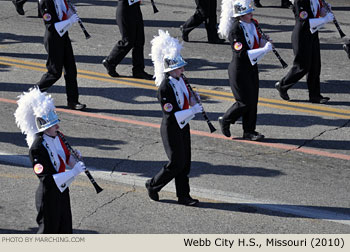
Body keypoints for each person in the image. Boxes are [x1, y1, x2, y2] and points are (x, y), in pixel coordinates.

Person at [14, 87, 86, 233]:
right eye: (54, 124)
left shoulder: (59, 137)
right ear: (44, 127)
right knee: (48, 234)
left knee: (65, 231)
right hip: (48, 197)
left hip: (63, 191)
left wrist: (75, 160)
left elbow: (65, 159)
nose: (58, 126)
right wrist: (73, 172)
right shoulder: (37, 148)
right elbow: (46, 179)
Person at [145, 30, 203, 206]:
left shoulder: (181, 80)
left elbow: (185, 100)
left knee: (185, 163)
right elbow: (171, 113)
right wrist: (193, 110)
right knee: (176, 162)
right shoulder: (164, 88)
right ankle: (153, 184)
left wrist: (194, 99)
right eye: (180, 68)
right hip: (171, 127)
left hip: (183, 125)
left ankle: (184, 196)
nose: (183, 70)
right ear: (171, 69)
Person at [217, 0, 272, 141]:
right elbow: (242, 54)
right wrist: (263, 50)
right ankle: (226, 120)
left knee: (253, 102)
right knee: (244, 102)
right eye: (248, 12)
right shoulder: (235, 30)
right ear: (240, 15)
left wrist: (265, 43)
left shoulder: (253, 24)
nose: (251, 13)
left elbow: (256, 43)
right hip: (239, 69)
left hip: (252, 67)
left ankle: (249, 131)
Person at [275, 0, 334, 104]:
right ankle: (282, 85)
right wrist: (325, 19)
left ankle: (315, 96)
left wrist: (325, 10)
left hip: (313, 34)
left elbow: (317, 13)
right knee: (302, 66)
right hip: (302, 35)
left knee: (315, 66)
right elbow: (306, 22)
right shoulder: (300, 1)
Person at [37, 0, 86, 110]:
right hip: (53, 39)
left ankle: (73, 101)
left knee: (71, 70)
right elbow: (51, 27)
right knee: (54, 73)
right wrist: (70, 21)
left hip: (64, 36)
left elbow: (62, 16)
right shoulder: (45, 2)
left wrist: (70, 13)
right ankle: (32, 93)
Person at [102, 0, 153, 80]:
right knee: (128, 40)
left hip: (135, 7)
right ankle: (110, 61)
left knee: (139, 40)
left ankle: (138, 70)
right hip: (125, 8)